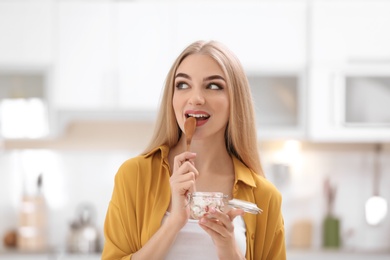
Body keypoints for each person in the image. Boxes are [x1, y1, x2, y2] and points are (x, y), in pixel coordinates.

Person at [102, 40, 286, 259]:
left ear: (235, 100)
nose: (196, 98)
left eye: (213, 86)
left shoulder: (264, 197)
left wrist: (229, 249)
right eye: (182, 85)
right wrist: (173, 223)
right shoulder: (134, 176)